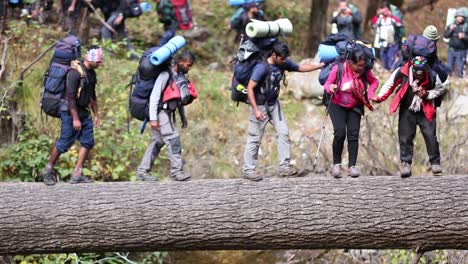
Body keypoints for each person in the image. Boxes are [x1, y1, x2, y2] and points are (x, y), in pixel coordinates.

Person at [242, 42, 324, 181]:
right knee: (255, 138)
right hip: (260, 105)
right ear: (274, 55)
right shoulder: (261, 68)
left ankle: (284, 167)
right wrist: (255, 110)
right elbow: (250, 88)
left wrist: (319, 66)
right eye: (282, 58)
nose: (284, 61)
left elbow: (300, 68)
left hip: (274, 105)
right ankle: (248, 169)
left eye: (285, 58)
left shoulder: (282, 62)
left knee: (283, 133)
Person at [41, 46, 103, 186]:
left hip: (83, 111)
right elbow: (70, 97)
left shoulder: (91, 73)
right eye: (98, 62)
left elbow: (92, 95)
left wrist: (96, 115)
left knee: (88, 142)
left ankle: (77, 173)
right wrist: (75, 118)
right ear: (90, 59)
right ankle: (48, 169)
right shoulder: (74, 73)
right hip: (69, 111)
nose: (100, 64)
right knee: (64, 142)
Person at [374, 56, 444, 178]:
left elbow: (439, 89)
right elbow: (389, 85)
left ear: (426, 69)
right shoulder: (402, 72)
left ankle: (435, 163)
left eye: (422, 74)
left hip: (426, 109)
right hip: (407, 108)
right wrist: (379, 98)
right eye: (417, 74)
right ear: (412, 68)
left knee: (430, 136)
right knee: (405, 136)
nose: (419, 76)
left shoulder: (432, 76)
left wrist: (427, 94)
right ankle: (405, 163)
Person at [136, 51, 196, 181]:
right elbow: (154, 97)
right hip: (161, 113)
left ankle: (143, 170)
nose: (189, 68)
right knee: (173, 139)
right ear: (180, 62)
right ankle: (177, 172)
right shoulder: (165, 75)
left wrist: (183, 116)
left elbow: (178, 99)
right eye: (188, 65)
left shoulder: (179, 76)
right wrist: (153, 118)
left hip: (168, 113)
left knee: (157, 141)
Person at [324, 47, 378, 178]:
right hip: (337, 104)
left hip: (355, 105)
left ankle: (352, 166)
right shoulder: (339, 69)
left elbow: (374, 82)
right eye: (359, 66)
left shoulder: (365, 70)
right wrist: (330, 87)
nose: (362, 68)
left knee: (353, 135)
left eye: (363, 65)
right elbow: (326, 85)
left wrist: (370, 94)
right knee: (340, 132)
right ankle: (336, 165)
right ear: (351, 62)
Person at [371, 3, 403, 71]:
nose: (385, 12)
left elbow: (399, 24)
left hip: (391, 42)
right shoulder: (380, 18)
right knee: (383, 57)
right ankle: (386, 70)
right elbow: (373, 25)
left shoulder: (392, 18)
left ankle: (391, 70)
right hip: (382, 42)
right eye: (383, 10)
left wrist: (391, 15)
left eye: (386, 10)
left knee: (391, 57)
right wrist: (377, 15)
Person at [444, 8, 468, 79]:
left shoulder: (466, 27)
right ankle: (448, 80)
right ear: (456, 17)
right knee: (448, 66)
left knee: (460, 68)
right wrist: (450, 30)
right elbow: (446, 36)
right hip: (451, 50)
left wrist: (464, 37)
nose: (461, 18)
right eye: (460, 16)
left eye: (463, 17)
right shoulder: (451, 25)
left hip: (461, 51)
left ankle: (458, 82)